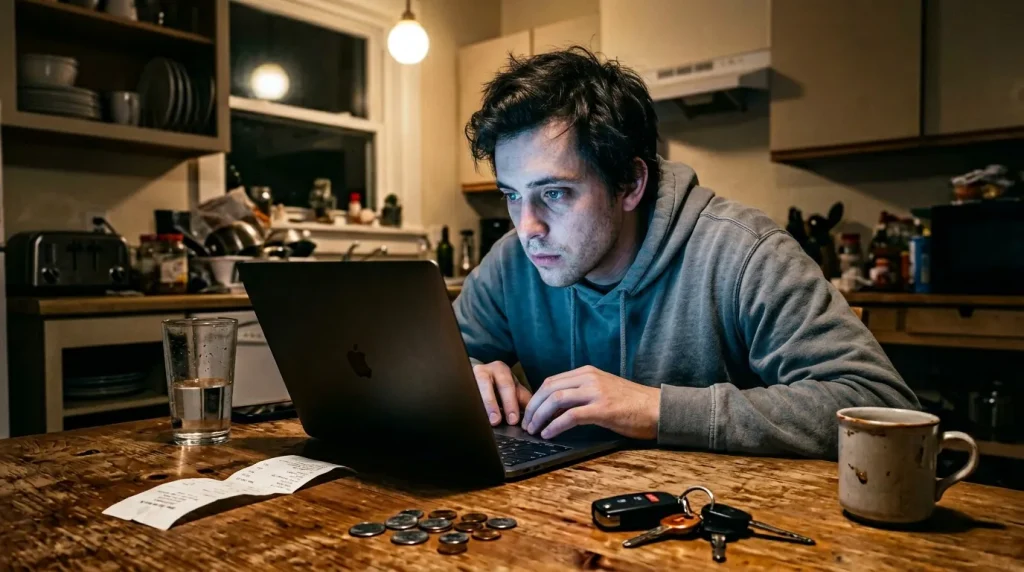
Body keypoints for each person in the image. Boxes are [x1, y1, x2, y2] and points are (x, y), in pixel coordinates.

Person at [454, 47, 918, 459]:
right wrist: (467, 376)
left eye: (554, 193)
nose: (528, 226)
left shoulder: (745, 254)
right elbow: (426, 364)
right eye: (512, 195)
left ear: (631, 183)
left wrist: (659, 409)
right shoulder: (513, 261)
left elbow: (880, 403)